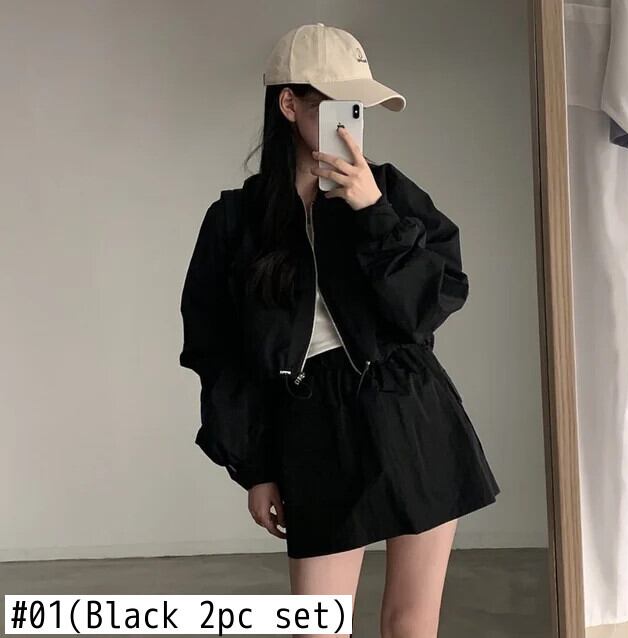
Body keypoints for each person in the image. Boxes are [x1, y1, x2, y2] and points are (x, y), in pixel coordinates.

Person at [179, 23, 500, 638]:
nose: (353, 122)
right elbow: (216, 352)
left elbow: (428, 306)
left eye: (361, 107)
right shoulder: (234, 220)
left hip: (410, 409)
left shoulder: (389, 193)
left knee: (412, 620)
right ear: (289, 104)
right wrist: (255, 465)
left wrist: (373, 212)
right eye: (338, 104)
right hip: (310, 423)